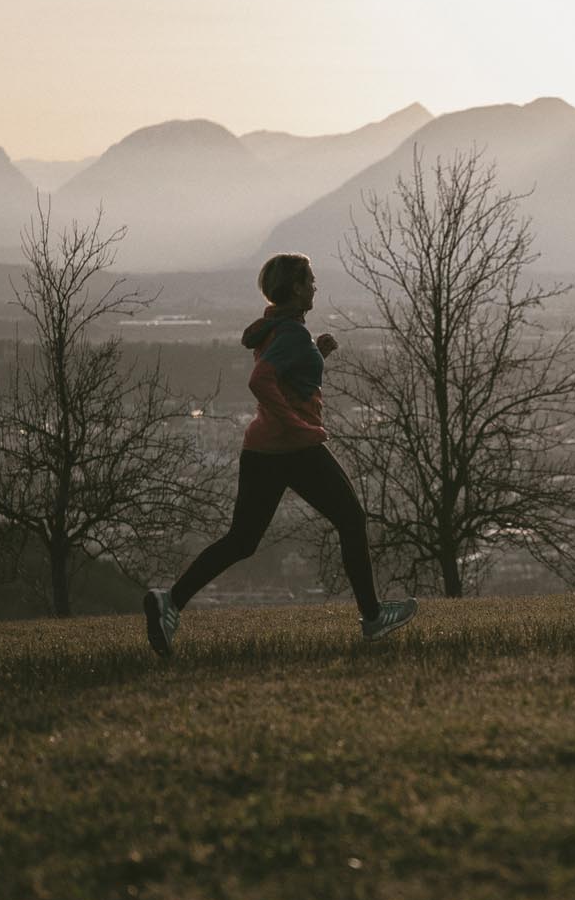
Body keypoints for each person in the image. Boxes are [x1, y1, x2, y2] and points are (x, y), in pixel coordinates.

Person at [142, 253, 417, 657]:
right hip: (294, 447)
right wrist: (295, 424)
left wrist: (317, 355)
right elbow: (261, 379)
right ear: (295, 288)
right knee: (352, 519)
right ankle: (373, 617)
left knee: (242, 540)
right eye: (309, 280)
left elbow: (286, 376)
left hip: (262, 449)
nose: (315, 286)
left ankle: (170, 602)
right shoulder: (290, 333)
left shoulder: (278, 328)